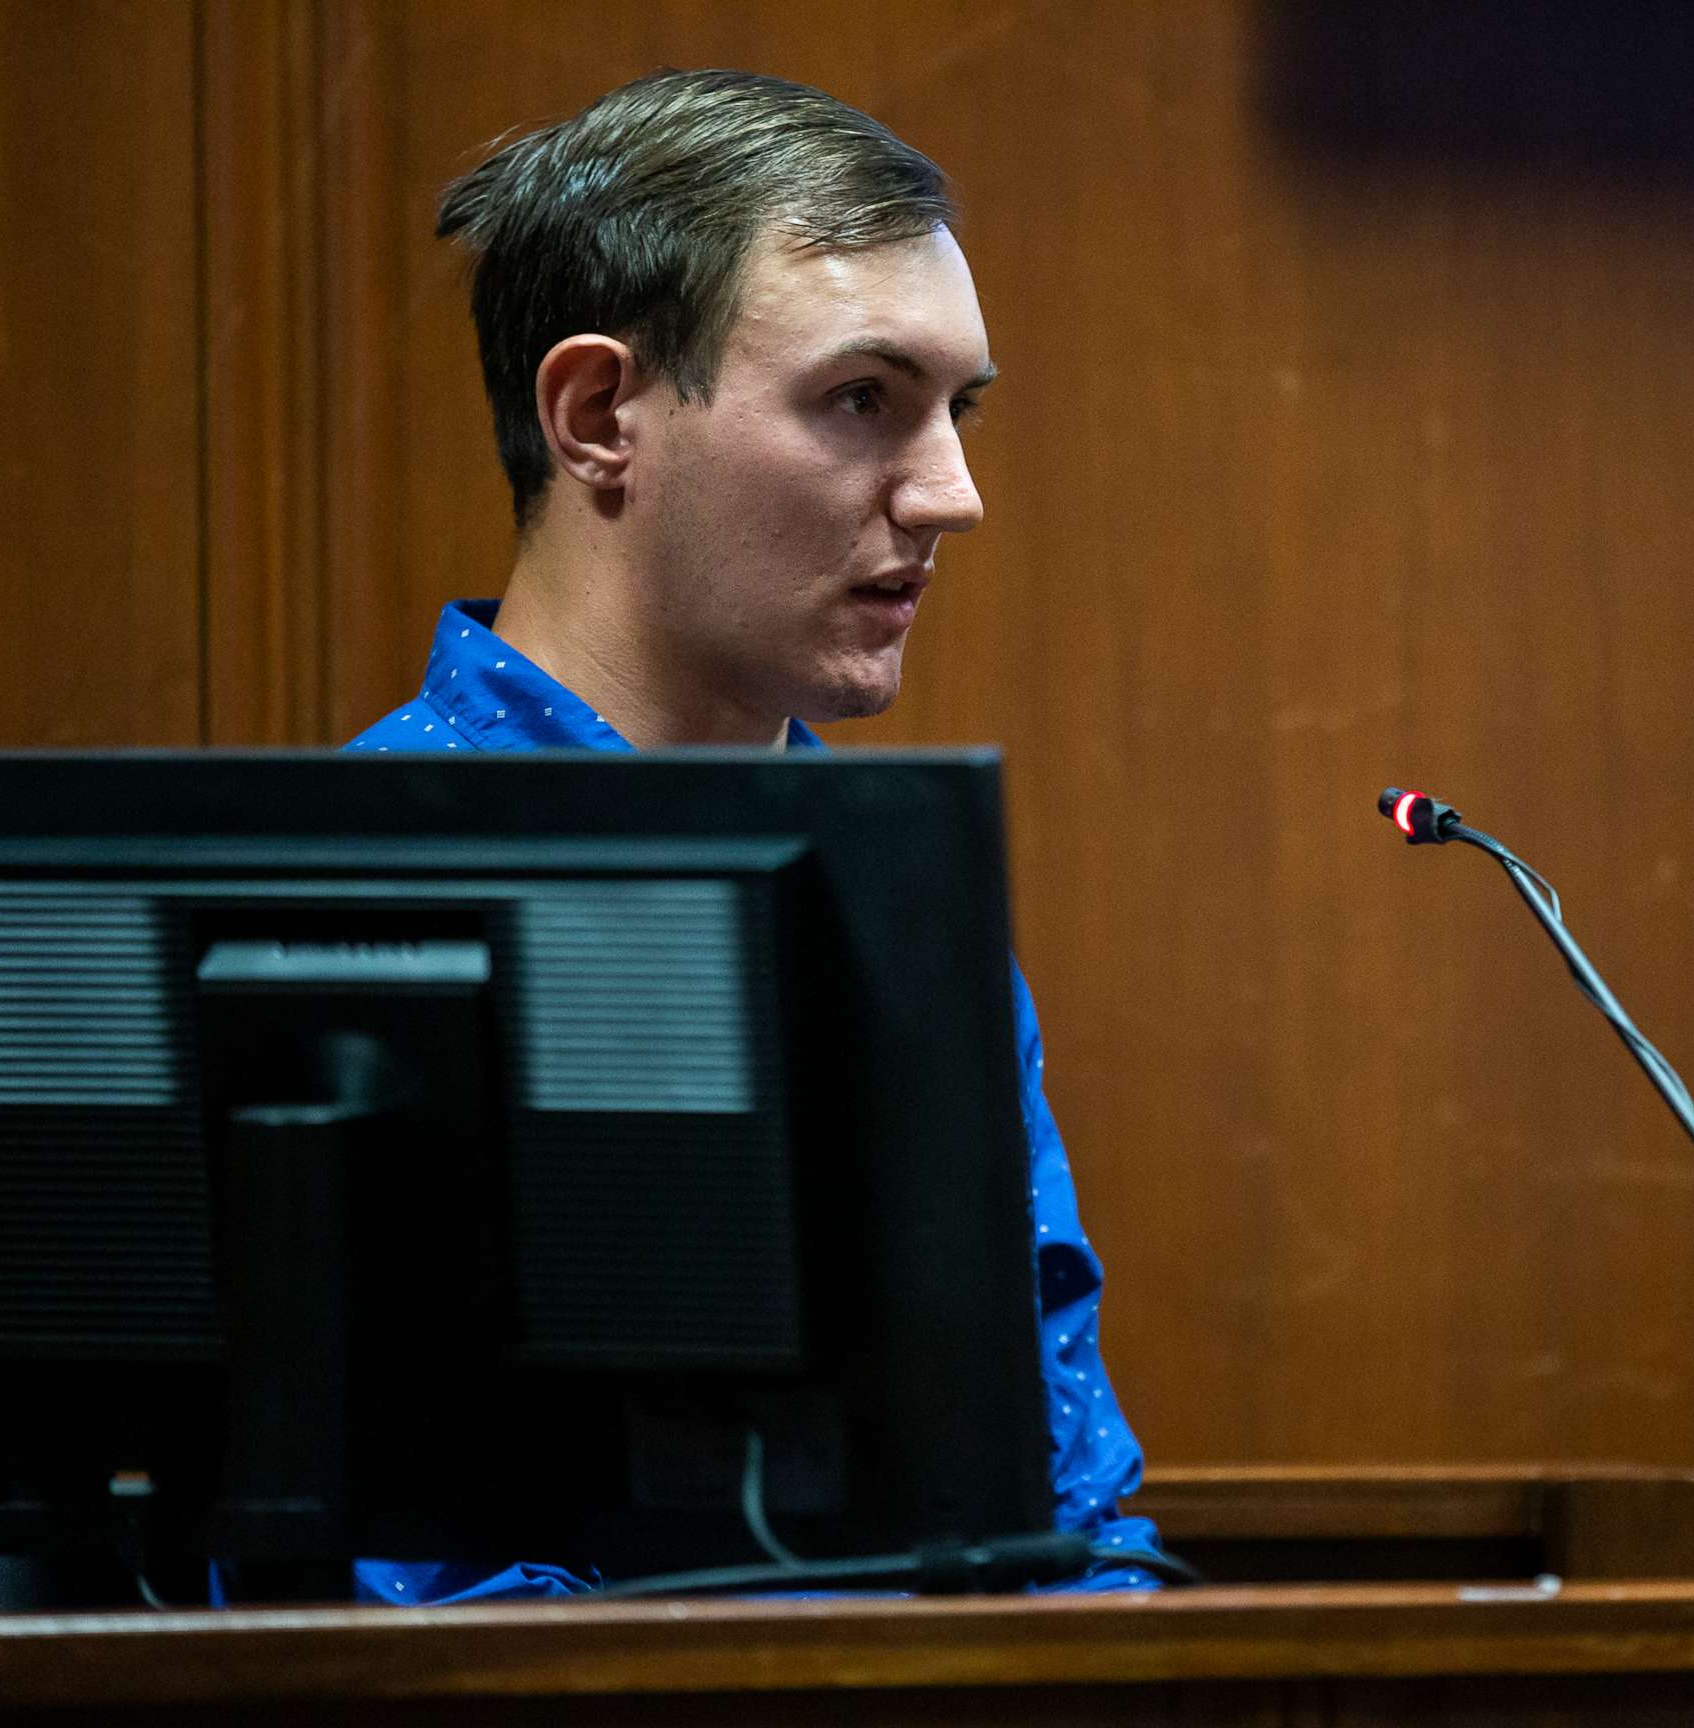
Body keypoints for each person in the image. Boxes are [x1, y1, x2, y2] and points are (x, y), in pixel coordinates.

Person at [340, 68, 1158, 1601]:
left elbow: (1077, 1515)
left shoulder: (898, 909)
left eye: (957, 411)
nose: (954, 493)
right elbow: (378, 1615)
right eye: (864, 400)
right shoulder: (342, 894)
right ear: (598, 419)